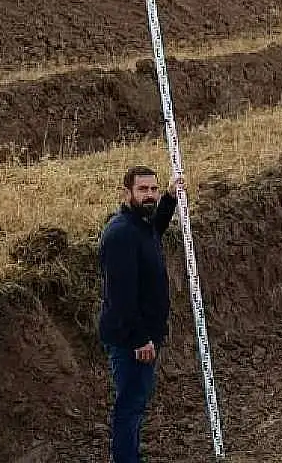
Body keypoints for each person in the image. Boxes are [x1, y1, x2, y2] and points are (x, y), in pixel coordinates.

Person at [98, 165, 183, 463]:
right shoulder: (121, 235)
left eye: (153, 189)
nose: (150, 195)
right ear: (126, 193)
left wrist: (170, 198)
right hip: (130, 339)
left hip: (142, 335)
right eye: (143, 190)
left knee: (135, 401)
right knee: (130, 406)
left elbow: (155, 229)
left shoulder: (141, 225)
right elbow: (120, 296)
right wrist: (139, 339)